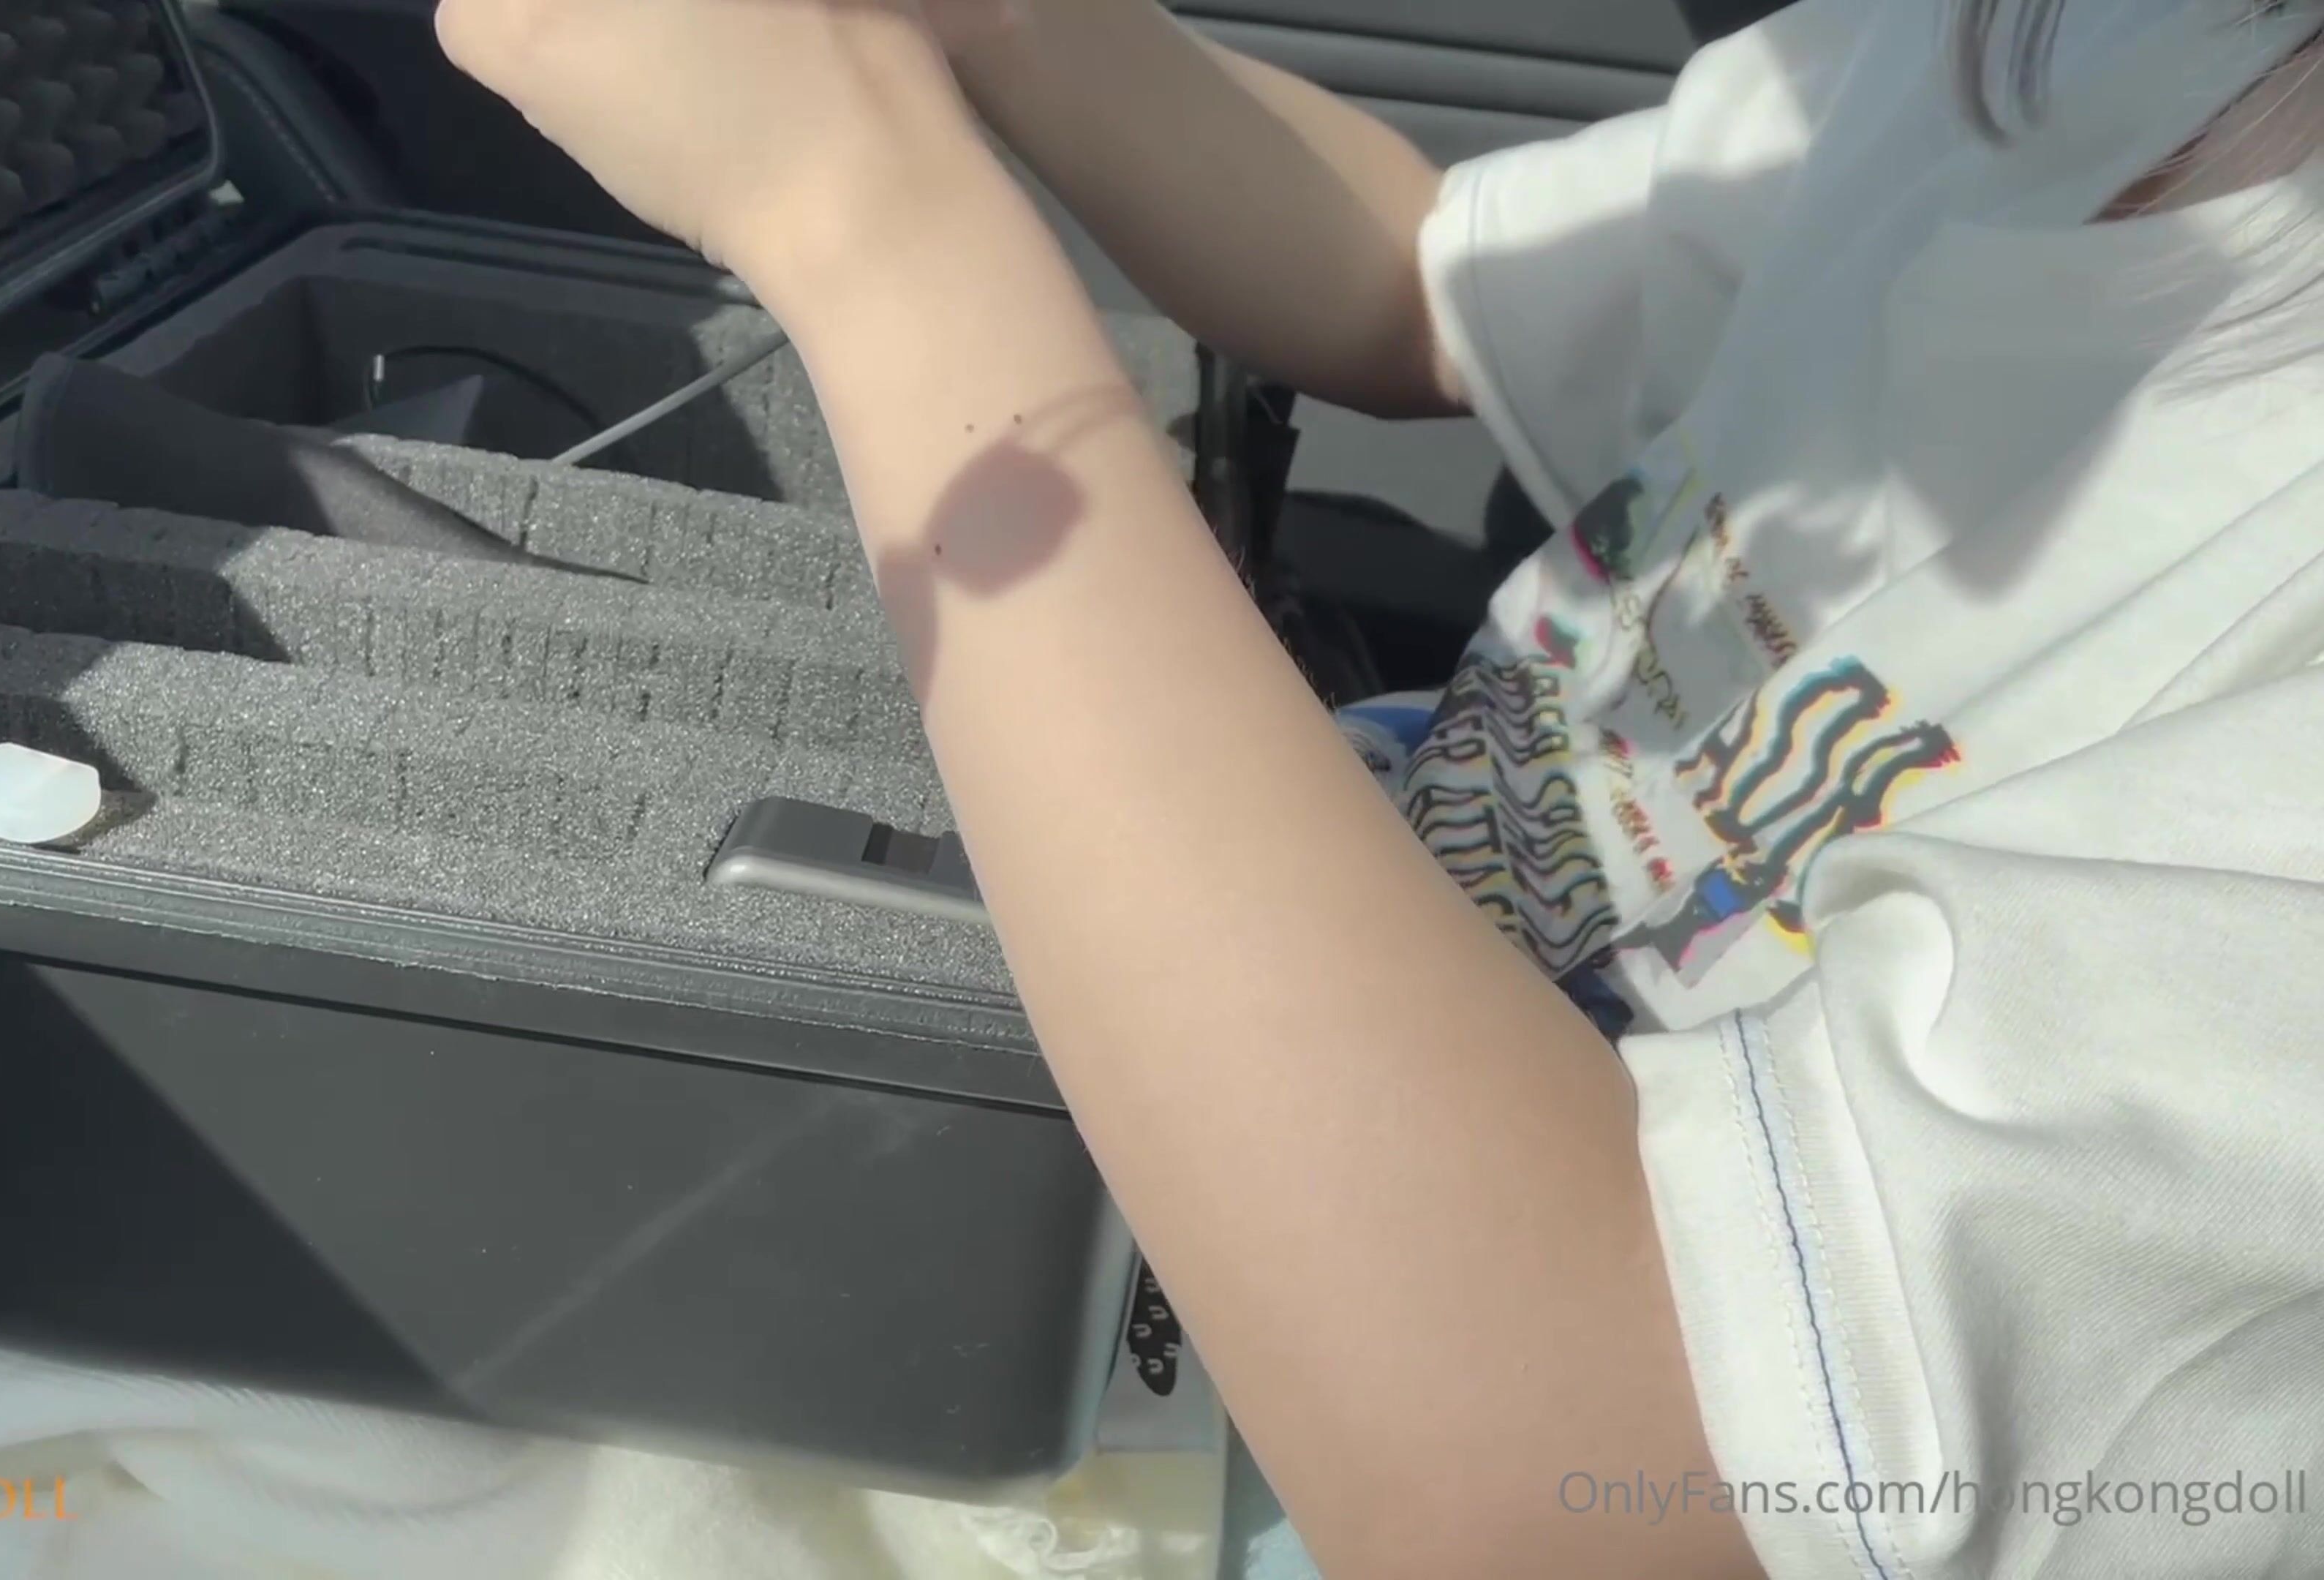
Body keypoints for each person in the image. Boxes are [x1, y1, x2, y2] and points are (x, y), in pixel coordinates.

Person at [429, 0, 2324, 1576]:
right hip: (1234, 1082)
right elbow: (1422, 271)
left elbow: (1566, 1474)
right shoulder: (2054, 42)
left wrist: (860, 209)